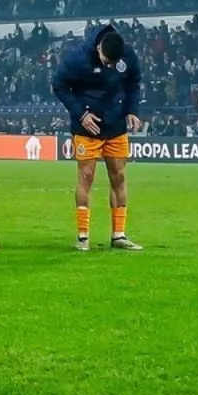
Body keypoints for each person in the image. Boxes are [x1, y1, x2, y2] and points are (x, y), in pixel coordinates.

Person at [53, 24, 144, 252]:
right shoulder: (78, 58)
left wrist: (132, 110)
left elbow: (134, 82)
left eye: (114, 63)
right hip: (87, 128)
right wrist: (81, 114)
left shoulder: (127, 54)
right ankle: (83, 237)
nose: (110, 66)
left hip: (116, 125)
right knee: (86, 176)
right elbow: (59, 85)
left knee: (119, 176)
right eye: (106, 61)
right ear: (98, 48)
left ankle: (119, 235)